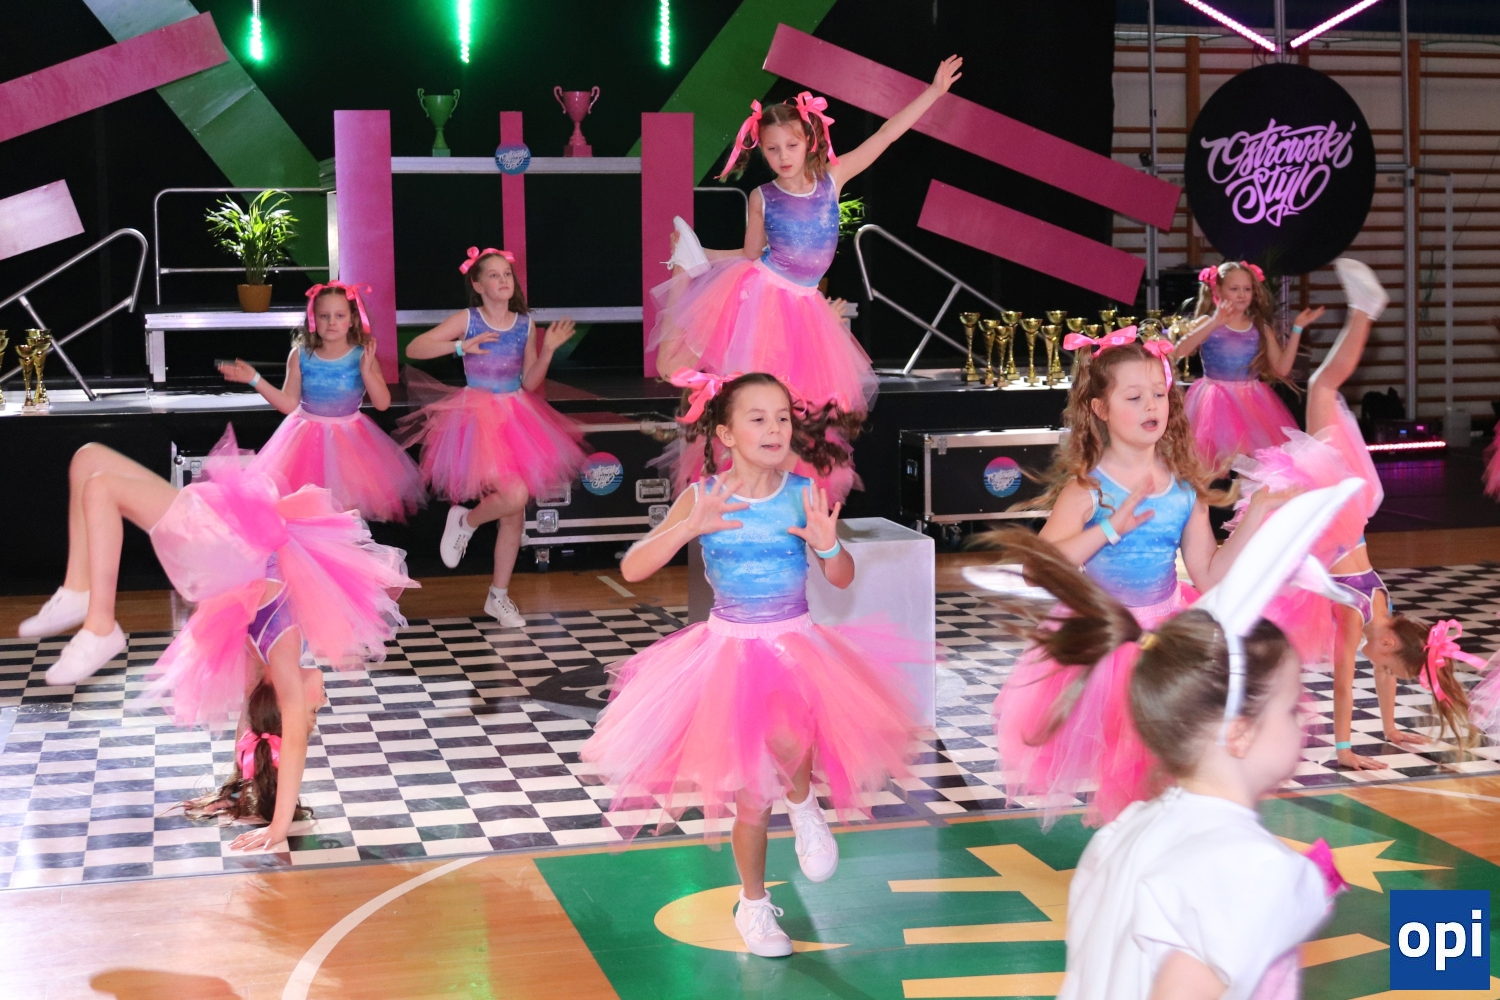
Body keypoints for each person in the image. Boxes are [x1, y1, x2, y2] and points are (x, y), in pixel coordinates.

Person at [581, 373, 921, 958]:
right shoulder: (703, 496)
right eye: (758, 418)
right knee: (750, 798)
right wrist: (688, 527)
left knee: (790, 737)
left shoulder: (802, 492)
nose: (774, 428)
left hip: (795, 642)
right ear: (726, 435)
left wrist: (829, 544)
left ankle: (804, 803)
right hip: (729, 652)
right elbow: (634, 568)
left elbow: (841, 578)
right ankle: (754, 904)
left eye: (783, 417)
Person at [982, 482, 1361, 1000]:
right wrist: (1279, 890)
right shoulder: (1238, 867)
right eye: (1291, 708)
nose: (1307, 725)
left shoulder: (1129, 830)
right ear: (1239, 731)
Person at [17, 428, 414, 850]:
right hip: (231, 535)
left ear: (289, 703)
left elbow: (290, 739)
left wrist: (278, 827)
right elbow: (253, 725)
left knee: (103, 488)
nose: (322, 701)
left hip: (220, 548)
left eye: (314, 710)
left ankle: (100, 623)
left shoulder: (281, 654)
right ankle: (77, 590)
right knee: (89, 460)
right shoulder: (260, 667)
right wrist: (241, 785)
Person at [986, 329, 1289, 825]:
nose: (1151, 405)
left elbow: (1210, 576)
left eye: (1158, 394)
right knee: (1124, 764)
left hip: (1167, 635)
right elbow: (1037, 567)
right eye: (1133, 397)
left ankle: (1155, 844)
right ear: (1100, 409)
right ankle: (1126, 844)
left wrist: (1254, 514)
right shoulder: (1089, 490)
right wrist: (1109, 528)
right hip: (1106, 639)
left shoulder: (1184, 488)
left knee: (1163, 762)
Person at [652, 57, 964, 499]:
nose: (783, 157)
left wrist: (933, 91)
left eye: (791, 145)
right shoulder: (762, 196)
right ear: (762, 151)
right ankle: (745, 489)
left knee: (804, 412)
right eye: (772, 149)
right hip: (763, 299)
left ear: (809, 142)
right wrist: (698, 254)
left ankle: (787, 496)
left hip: (806, 308)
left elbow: (886, 135)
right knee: (747, 397)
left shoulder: (831, 180)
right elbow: (749, 254)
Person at [1233, 258, 1483, 768]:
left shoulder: (1384, 610)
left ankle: (1364, 311)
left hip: (1346, 514)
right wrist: (1345, 750)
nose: (1384, 671)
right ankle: (1364, 310)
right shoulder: (1356, 615)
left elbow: (1381, 672)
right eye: (1391, 665)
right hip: (1330, 508)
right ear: (1389, 641)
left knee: (1323, 390)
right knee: (1322, 389)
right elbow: (1344, 683)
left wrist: (1390, 728)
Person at [398, 248, 588, 626]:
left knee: (514, 516)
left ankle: (498, 597)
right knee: (514, 495)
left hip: (516, 416)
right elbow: (415, 347)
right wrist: (459, 346)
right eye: (494, 275)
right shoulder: (468, 319)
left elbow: (530, 382)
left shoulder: (524, 324)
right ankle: (465, 522)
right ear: (478, 284)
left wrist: (548, 351)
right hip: (478, 418)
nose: (503, 280)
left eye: (507, 274)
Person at [219, 281, 425, 523]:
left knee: (345, 511)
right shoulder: (300, 355)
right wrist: (255, 379)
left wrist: (367, 372)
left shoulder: (362, 356)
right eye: (324, 316)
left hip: (350, 443)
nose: (332, 322)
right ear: (313, 319)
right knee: (307, 512)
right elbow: (288, 404)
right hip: (304, 440)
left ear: (353, 319)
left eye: (340, 315)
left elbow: (382, 404)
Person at [1173, 260, 1322, 473]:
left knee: (1254, 465)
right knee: (1213, 464)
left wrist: (1297, 329)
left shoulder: (1259, 328)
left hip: (1252, 402)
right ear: (1218, 290)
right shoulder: (1208, 322)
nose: (1242, 295)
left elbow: (1282, 368)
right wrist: (1215, 321)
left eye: (1247, 289)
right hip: (1214, 402)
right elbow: (1180, 351)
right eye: (1234, 289)